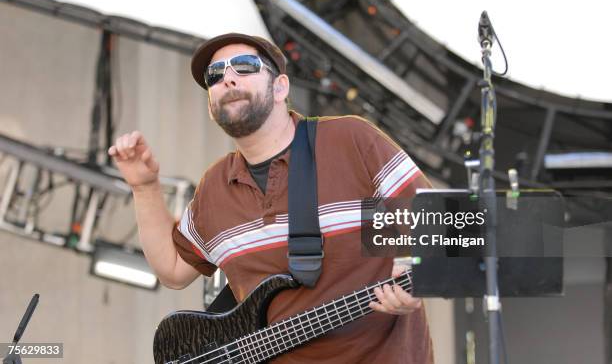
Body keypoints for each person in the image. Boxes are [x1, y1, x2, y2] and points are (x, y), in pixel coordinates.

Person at [108, 33, 434, 363]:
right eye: (215, 76)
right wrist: (144, 186)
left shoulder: (350, 142)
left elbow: (451, 229)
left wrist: (417, 282)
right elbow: (173, 271)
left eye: (244, 67)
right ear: (210, 105)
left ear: (280, 88)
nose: (228, 78)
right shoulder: (215, 187)